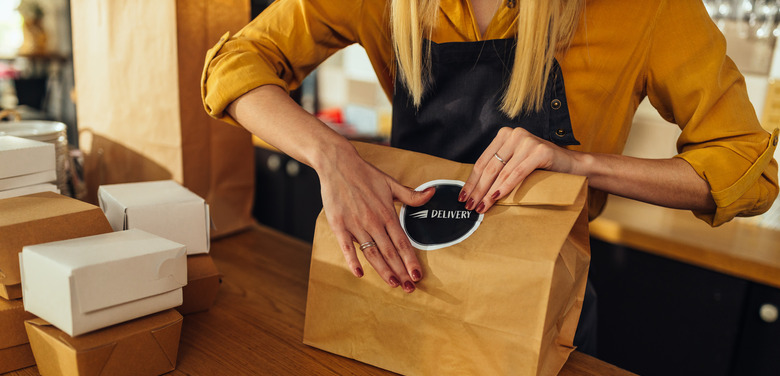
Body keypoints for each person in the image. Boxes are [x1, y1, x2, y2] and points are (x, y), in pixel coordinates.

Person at [202, 0, 779, 353]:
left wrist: (581, 164)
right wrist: (333, 157)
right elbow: (233, 65)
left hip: (538, 312)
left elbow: (746, 168)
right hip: (399, 285)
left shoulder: (643, 8)